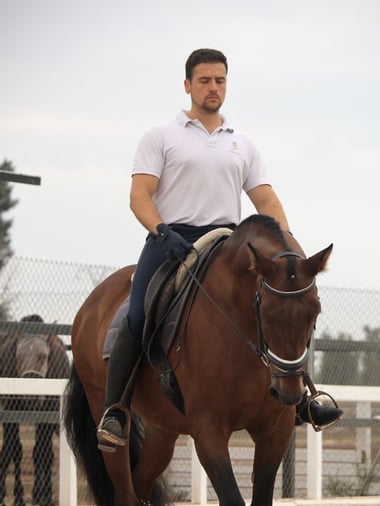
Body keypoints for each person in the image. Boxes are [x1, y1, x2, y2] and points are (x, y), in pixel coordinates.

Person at [97, 48, 342, 452]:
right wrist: (162, 232)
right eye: (205, 80)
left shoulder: (242, 143)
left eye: (220, 80)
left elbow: (266, 199)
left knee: (284, 307)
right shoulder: (161, 136)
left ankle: (303, 398)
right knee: (138, 313)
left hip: (228, 242)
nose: (213, 87)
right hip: (171, 240)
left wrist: (287, 247)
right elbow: (139, 195)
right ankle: (116, 410)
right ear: (188, 85)